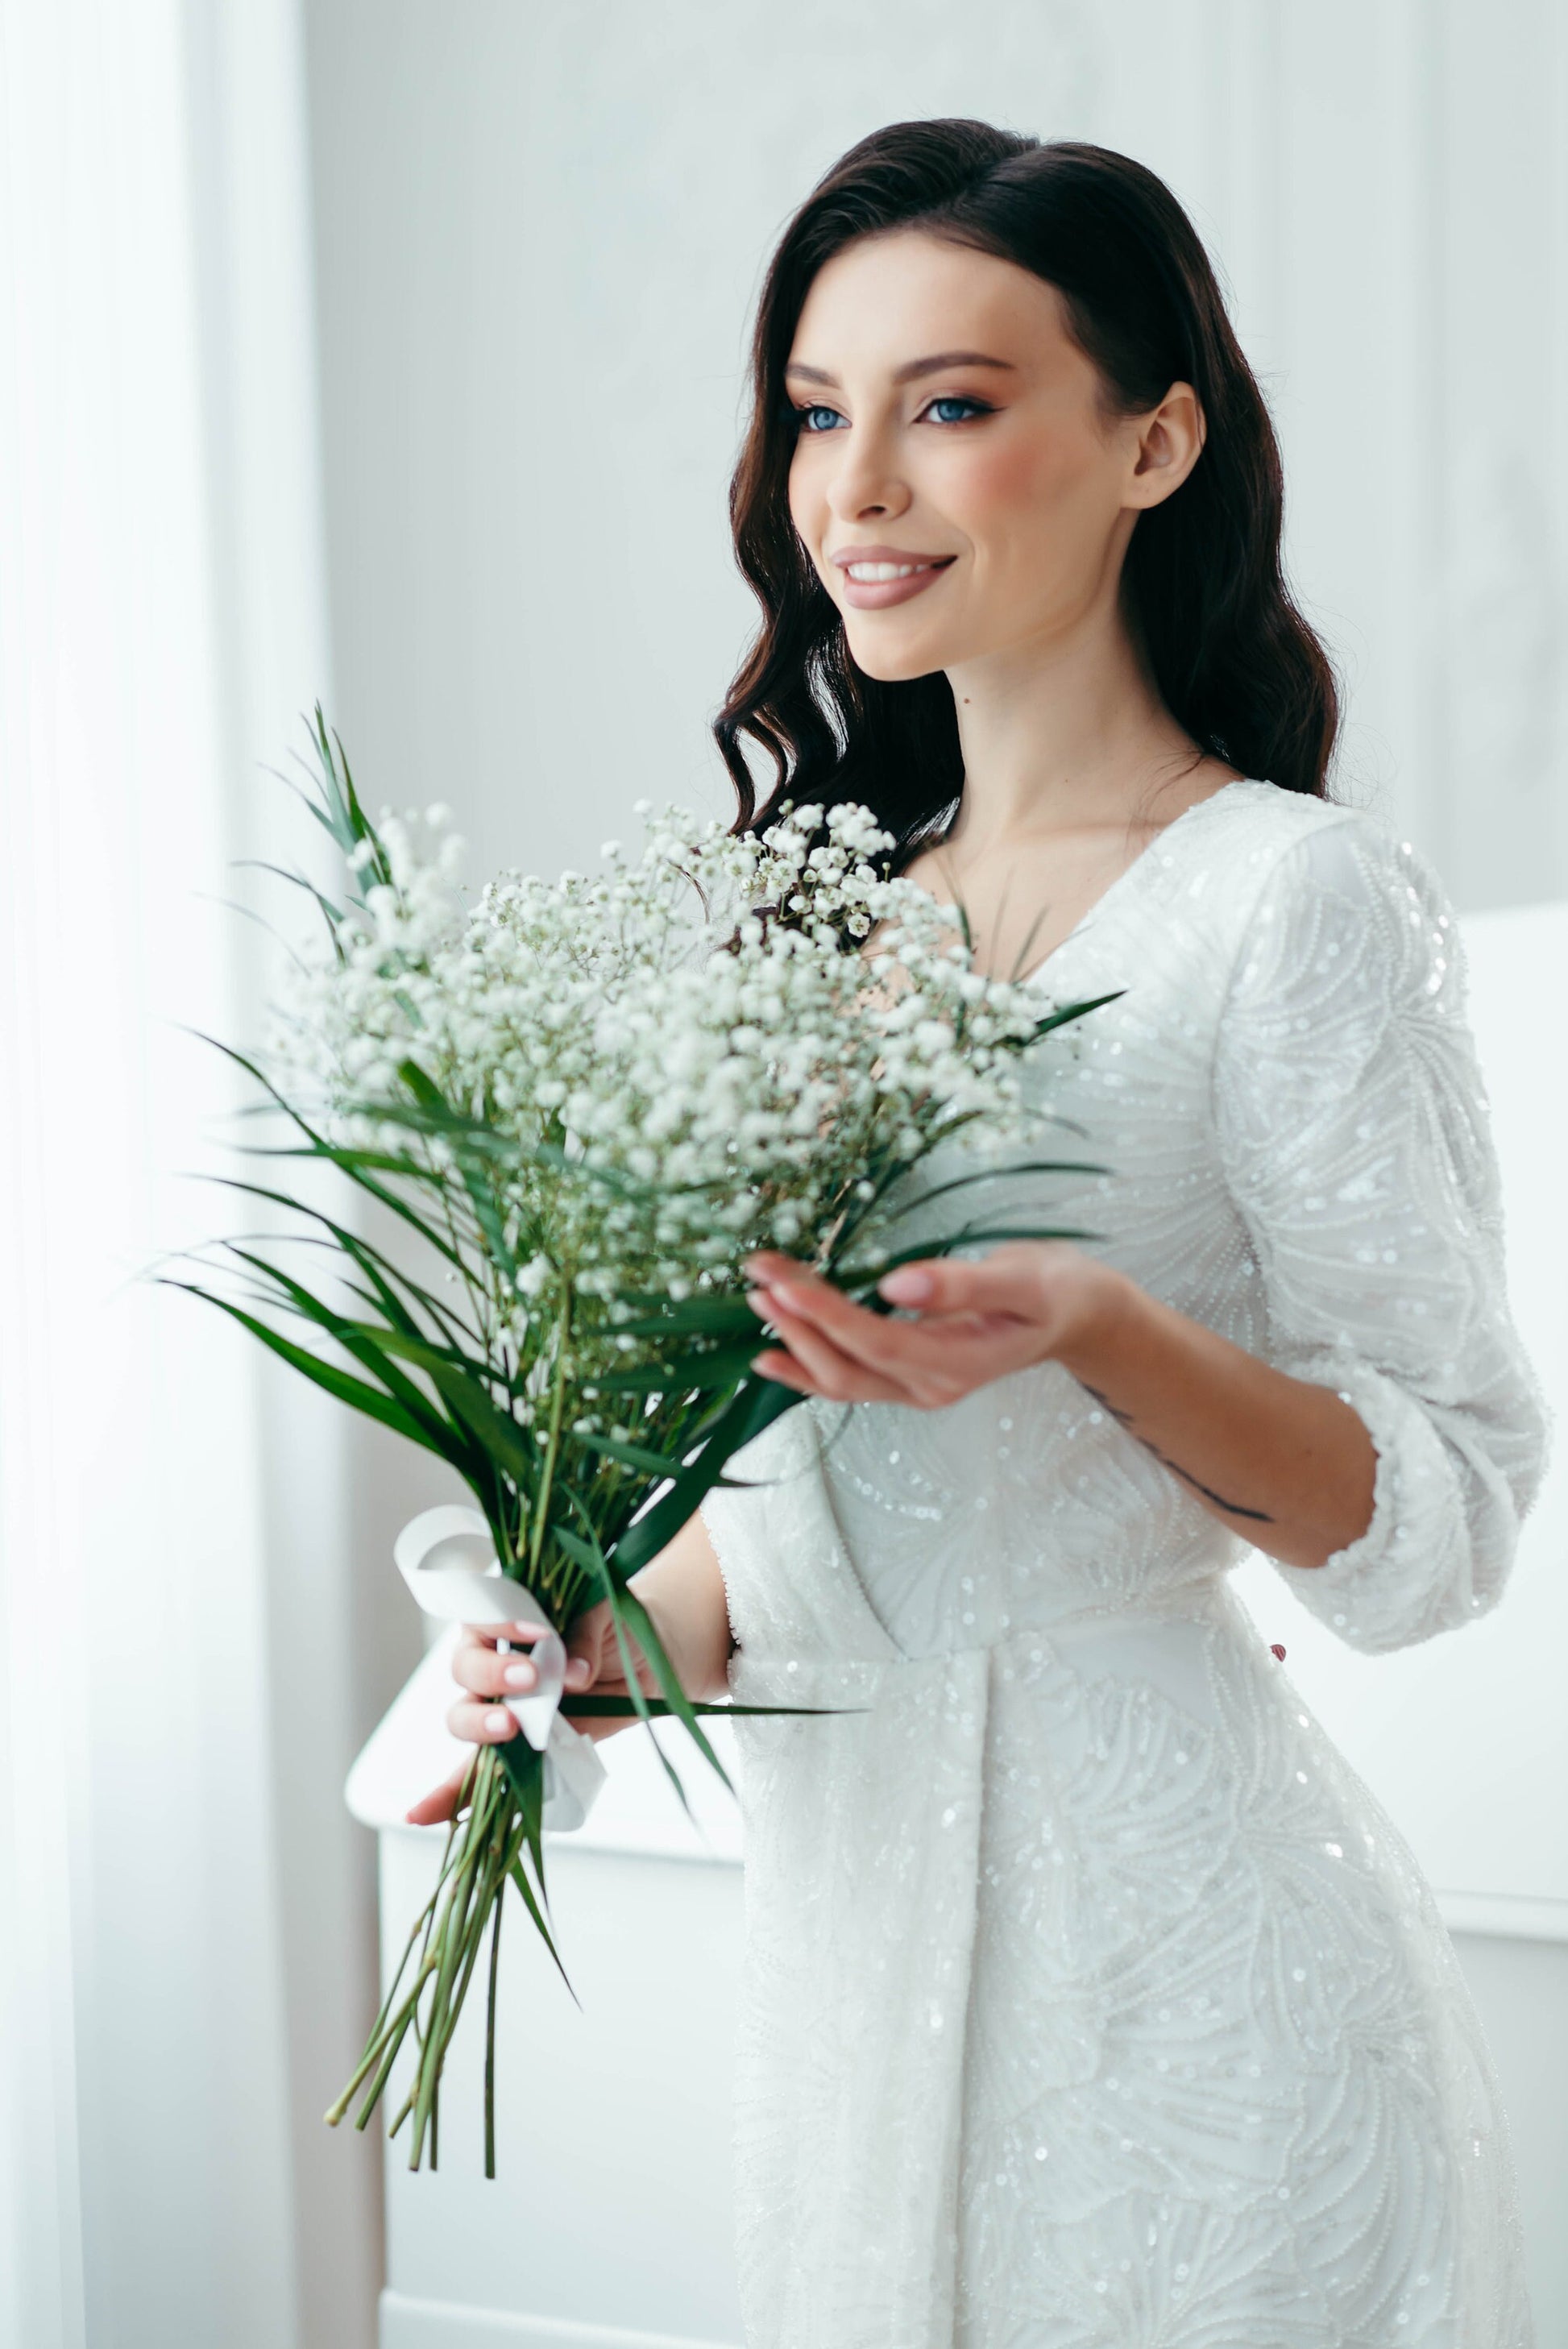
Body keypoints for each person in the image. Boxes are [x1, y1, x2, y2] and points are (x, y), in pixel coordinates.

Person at [412, 125, 1549, 2348]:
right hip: (851, 1993)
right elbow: (777, 1549)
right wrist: (577, 1646)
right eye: (817, 413)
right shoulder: (811, 946)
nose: (855, 488)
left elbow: (1445, 1522)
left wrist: (1096, 1324)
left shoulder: (1287, 903)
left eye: (948, 404)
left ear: (1152, 437)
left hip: (1191, 1993)